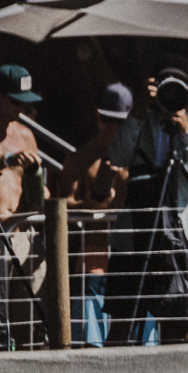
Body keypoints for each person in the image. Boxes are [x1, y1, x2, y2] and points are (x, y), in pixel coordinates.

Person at [103, 58, 188, 345]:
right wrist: (137, 113)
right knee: (122, 325)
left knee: (182, 328)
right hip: (136, 235)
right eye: (163, 82)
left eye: (177, 83)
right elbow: (116, 157)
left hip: (184, 237)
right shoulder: (141, 117)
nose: (169, 89)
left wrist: (187, 130)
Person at [62, 83, 132, 347]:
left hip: (130, 254)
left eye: (119, 122)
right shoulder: (81, 159)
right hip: (93, 255)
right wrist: (88, 206)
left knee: (134, 340)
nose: (112, 127)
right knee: (92, 341)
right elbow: (63, 204)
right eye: (106, 119)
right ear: (97, 115)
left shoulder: (137, 158)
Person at [0, 65, 48, 220]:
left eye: (26, 103)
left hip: (21, 230)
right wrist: (7, 159)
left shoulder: (25, 135)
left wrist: (40, 191)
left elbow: (36, 190)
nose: (22, 108)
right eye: (16, 102)